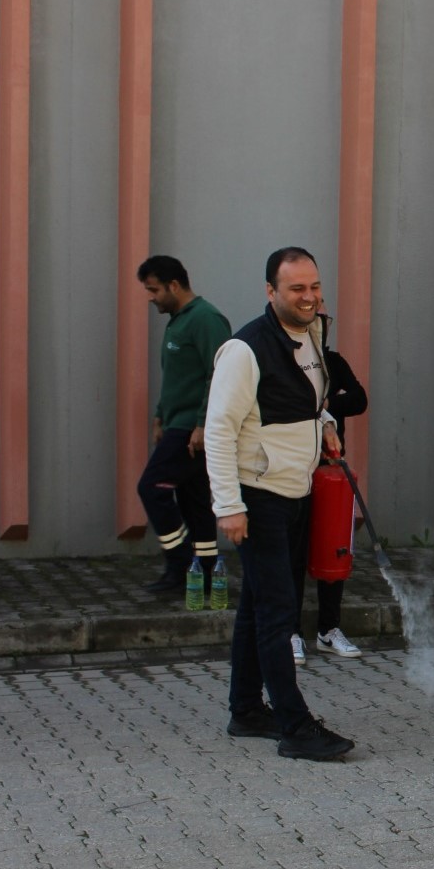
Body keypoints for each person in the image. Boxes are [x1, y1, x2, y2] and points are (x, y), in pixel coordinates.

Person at [205, 246, 354, 761]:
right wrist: (229, 505)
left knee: (257, 604)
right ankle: (295, 727)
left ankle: (246, 710)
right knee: (277, 610)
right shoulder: (244, 350)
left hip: (297, 488)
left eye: (314, 286)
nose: (309, 296)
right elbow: (220, 430)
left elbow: (306, 404)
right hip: (258, 495)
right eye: (296, 288)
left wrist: (328, 427)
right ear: (271, 292)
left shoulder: (311, 335)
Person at [135, 256, 231, 594]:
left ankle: (178, 564)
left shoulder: (206, 320)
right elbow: (176, 377)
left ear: (174, 285)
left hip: (193, 429)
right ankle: (203, 572)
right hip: (177, 424)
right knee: (194, 501)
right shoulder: (177, 321)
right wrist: (160, 414)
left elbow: (219, 376)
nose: (151, 297)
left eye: (154, 290)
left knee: (151, 487)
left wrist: (203, 425)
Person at [292, 319, 368, 663]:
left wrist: (325, 411)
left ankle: (328, 629)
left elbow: (358, 399)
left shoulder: (333, 362)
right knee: (294, 550)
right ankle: (291, 631)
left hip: (331, 470)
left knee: (335, 548)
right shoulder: (286, 361)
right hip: (296, 470)